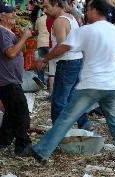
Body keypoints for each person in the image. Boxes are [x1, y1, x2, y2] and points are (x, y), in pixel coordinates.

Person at [31, 0, 115, 164]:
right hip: (113, 84)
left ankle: (42, 150)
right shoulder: (114, 31)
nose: (85, 13)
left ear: (93, 11)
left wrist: (45, 59)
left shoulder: (87, 30)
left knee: (66, 118)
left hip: (92, 84)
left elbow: (63, 47)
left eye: (87, 10)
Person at [36, 0, 91, 130]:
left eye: (46, 6)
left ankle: (58, 132)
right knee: (73, 97)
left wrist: (44, 60)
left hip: (68, 63)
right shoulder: (71, 17)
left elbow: (62, 47)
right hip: (76, 61)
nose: (44, 10)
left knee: (58, 101)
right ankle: (84, 122)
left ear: (56, 5)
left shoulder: (60, 21)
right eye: (43, 7)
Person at [0, 3, 32, 157]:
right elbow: (11, 53)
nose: (14, 15)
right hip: (8, 81)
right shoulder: (1, 32)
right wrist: (24, 37)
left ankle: (3, 142)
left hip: (8, 79)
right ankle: (23, 147)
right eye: (10, 13)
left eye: (14, 13)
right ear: (2, 16)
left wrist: (21, 37)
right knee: (22, 114)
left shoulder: (7, 32)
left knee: (11, 113)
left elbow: (16, 50)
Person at [35, 14, 50, 84]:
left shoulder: (39, 19)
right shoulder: (53, 19)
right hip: (49, 43)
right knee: (51, 65)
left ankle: (41, 82)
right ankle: (50, 83)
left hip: (41, 43)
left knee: (41, 63)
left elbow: (36, 31)